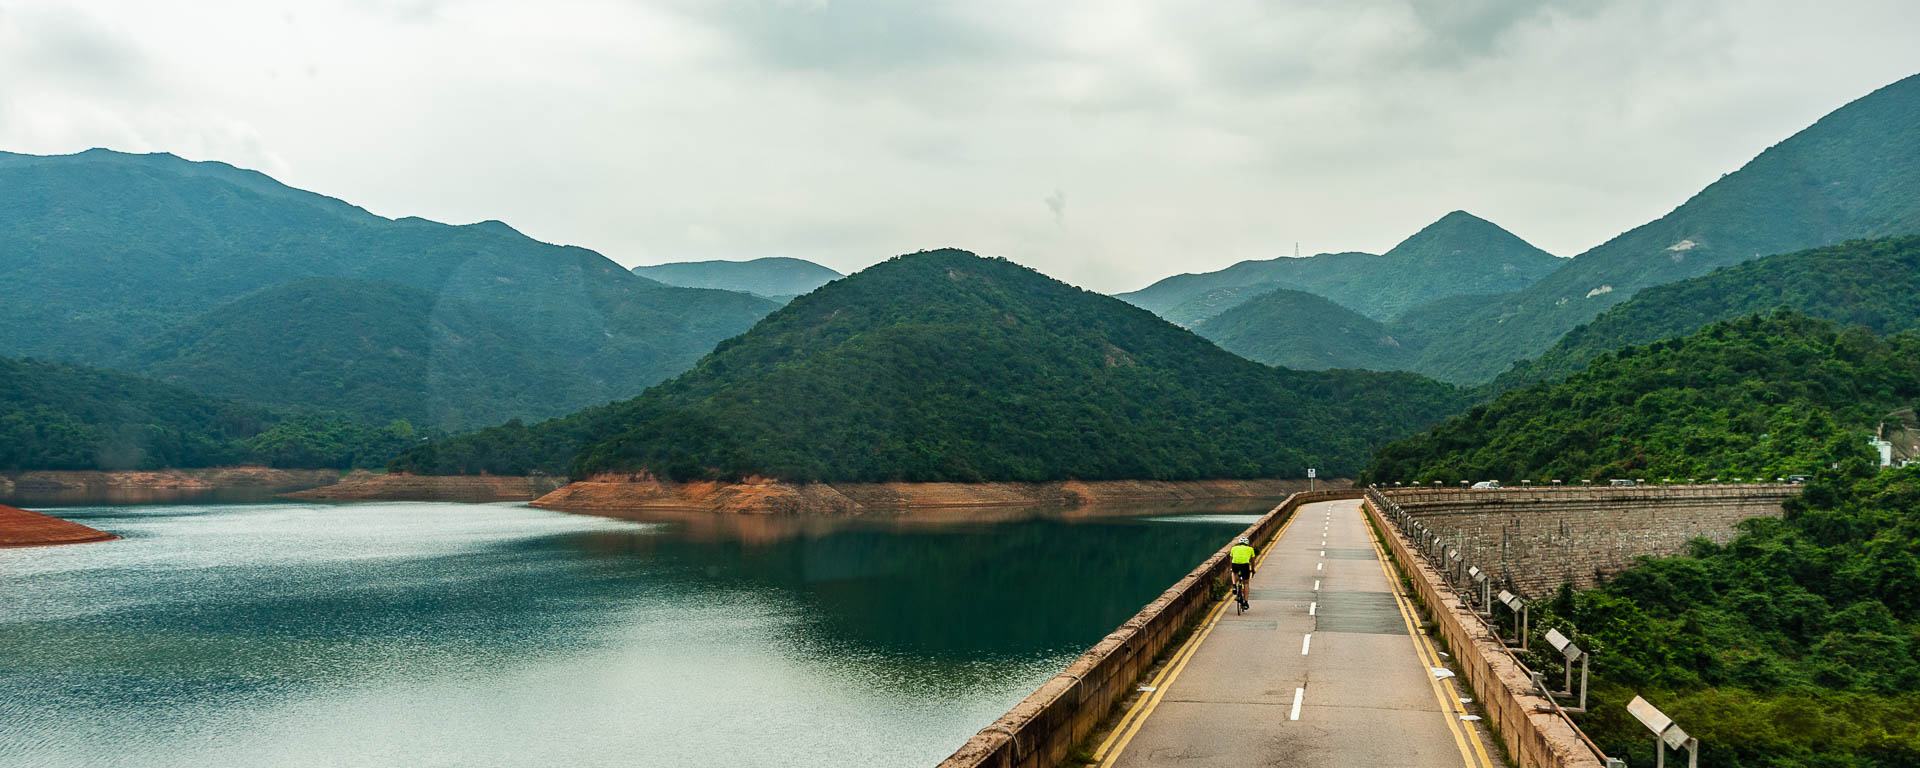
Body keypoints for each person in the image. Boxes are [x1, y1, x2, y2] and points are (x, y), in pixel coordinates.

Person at [1229, 536, 1256, 609]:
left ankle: (1234, 586)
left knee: (1233, 572)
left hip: (1235, 564)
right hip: (1245, 566)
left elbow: (1231, 559)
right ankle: (1246, 602)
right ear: (1247, 543)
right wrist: (1253, 569)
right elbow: (1252, 561)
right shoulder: (1250, 549)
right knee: (1246, 583)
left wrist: (1231, 567)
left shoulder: (1234, 548)